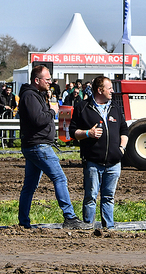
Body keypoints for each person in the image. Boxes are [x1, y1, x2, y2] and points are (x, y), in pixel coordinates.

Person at [18, 65, 88, 230]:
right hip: (39, 146)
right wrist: (52, 110)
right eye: (47, 79)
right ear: (37, 80)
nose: (50, 82)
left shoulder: (35, 95)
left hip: (35, 145)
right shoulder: (30, 96)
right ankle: (69, 217)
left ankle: (23, 222)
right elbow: (38, 120)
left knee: (29, 186)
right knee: (60, 178)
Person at [69, 76, 129, 229]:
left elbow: (124, 130)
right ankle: (88, 227)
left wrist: (121, 149)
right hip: (93, 162)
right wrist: (88, 133)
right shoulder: (83, 107)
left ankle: (109, 228)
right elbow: (72, 132)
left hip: (114, 162)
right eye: (109, 88)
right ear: (100, 90)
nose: (112, 91)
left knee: (109, 197)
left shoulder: (115, 107)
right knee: (90, 197)